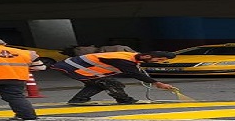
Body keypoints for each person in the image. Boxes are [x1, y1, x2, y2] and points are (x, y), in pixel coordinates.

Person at [48, 45, 177, 105]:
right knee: (112, 83)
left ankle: (78, 100)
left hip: (73, 67)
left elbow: (133, 70)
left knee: (98, 84)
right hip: (75, 68)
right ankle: (124, 100)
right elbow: (135, 74)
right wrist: (157, 83)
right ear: (147, 56)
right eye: (159, 59)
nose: (159, 62)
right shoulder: (124, 60)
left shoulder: (131, 57)